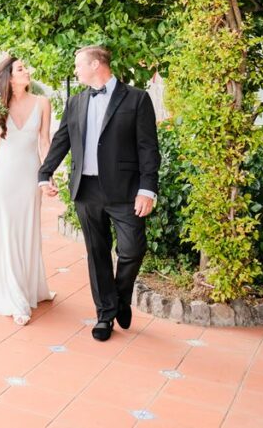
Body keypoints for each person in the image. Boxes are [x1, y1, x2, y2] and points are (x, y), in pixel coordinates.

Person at [39, 46, 160, 342]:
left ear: (95, 64)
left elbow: (148, 147)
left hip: (126, 191)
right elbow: (61, 139)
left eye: (78, 65)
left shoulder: (137, 98)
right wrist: (45, 173)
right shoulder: (76, 101)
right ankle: (105, 315)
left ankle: (120, 297)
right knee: (97, 253)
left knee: (132, 249)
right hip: (86, 190)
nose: (75, 70)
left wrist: (148, 189)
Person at [0, 56, 54, 325]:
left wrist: (48, 175)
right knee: (7, 227)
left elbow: (44, 142)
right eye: (21, 69)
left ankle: (29, 285)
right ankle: (14, 296)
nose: (27, 71)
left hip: (30, 172)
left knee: (28, 227)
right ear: (9, 77)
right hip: (5, 172)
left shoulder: (43, 103)